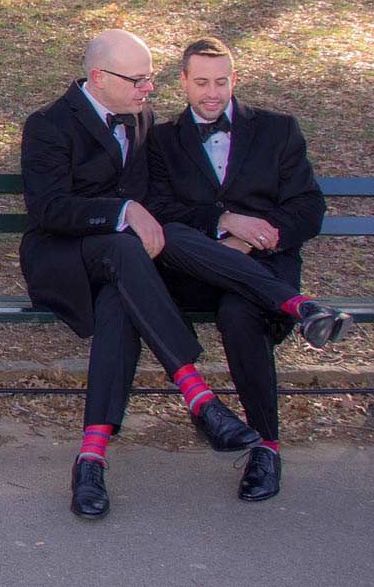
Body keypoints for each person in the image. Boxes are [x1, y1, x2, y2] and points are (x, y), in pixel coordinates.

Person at [20, 28, 265, 520]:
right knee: (121, 249)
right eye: (138, 80)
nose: (148, 89)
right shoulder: (48, 124)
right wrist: (124, 210)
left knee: (120, 300)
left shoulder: (141, 118)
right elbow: (49, 209)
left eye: (150, 78)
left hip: (123, 268)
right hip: (61, 260)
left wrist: (216, 223)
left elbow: (157, 198)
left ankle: (91, 459)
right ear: (98, 77)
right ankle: (197, 394)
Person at [147, 37, 350, 503]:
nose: (212, 93)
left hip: (265, 265)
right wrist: (224, 223)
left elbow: (308, 207)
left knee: (242, 315)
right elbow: (158, 208)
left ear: (234, 80)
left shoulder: (278, 130)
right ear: (183, 82)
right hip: (196, 272)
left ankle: (267, 448)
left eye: (221, 82)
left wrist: (255, 238)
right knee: (173, 240)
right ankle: (304, 309)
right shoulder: (161, 140)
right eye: (201, 82)